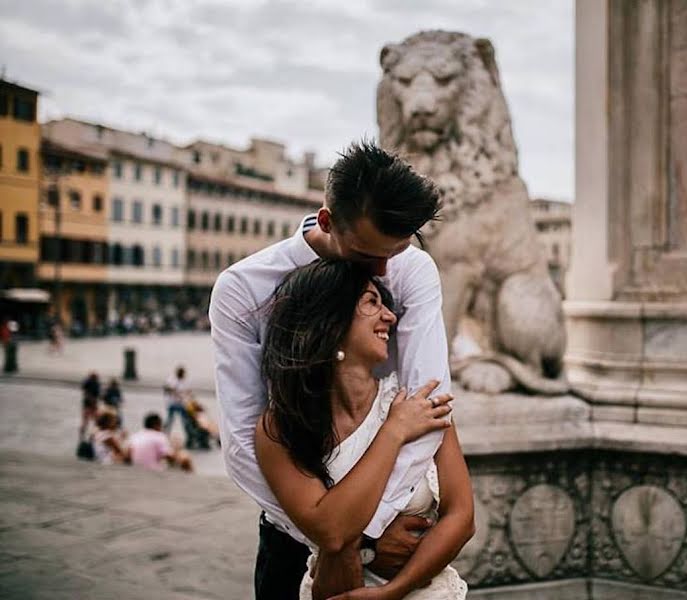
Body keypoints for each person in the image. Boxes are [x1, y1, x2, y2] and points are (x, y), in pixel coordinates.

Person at [209, 140, 452, 599]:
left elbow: (429, 401)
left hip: (397, 533)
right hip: (293, 533)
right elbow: (243, 443)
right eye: (367, 255)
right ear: (326, 221)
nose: (383, 269)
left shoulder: (412, 268)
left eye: (395, 252)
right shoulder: (243, 289)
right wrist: (338, 539)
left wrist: (369, 530)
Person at [257, 260, 473, 599]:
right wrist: (393, 432)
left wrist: (391, 592)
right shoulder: (280, 427)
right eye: (372, 302)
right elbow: (330, 530)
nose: (390, 316)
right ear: (329, 319)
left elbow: (462, 517)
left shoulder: (418, 403)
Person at [163, 366, 191, 438]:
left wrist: (186, 396)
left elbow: (188, 391)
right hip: (171, 403)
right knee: (170, 420)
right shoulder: (172, 379)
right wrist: (175, 391)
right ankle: (165, 434)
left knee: (185, 421)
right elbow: (166, 388)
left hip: (181, 404)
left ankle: (189, 436)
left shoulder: (184, 381)